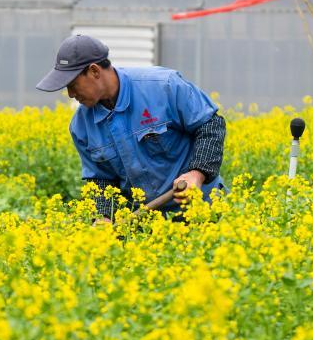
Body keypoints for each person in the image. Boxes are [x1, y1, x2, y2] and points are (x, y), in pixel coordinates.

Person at [36, 34, 225, 222]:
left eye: (72, 85)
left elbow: (210, 125)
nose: (70, 94)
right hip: (146, 224)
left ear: (94, 71)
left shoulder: (164, 86)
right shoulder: (81, 126)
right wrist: (103, 218)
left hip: (202, 209)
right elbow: (100, 180)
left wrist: (196, 174)